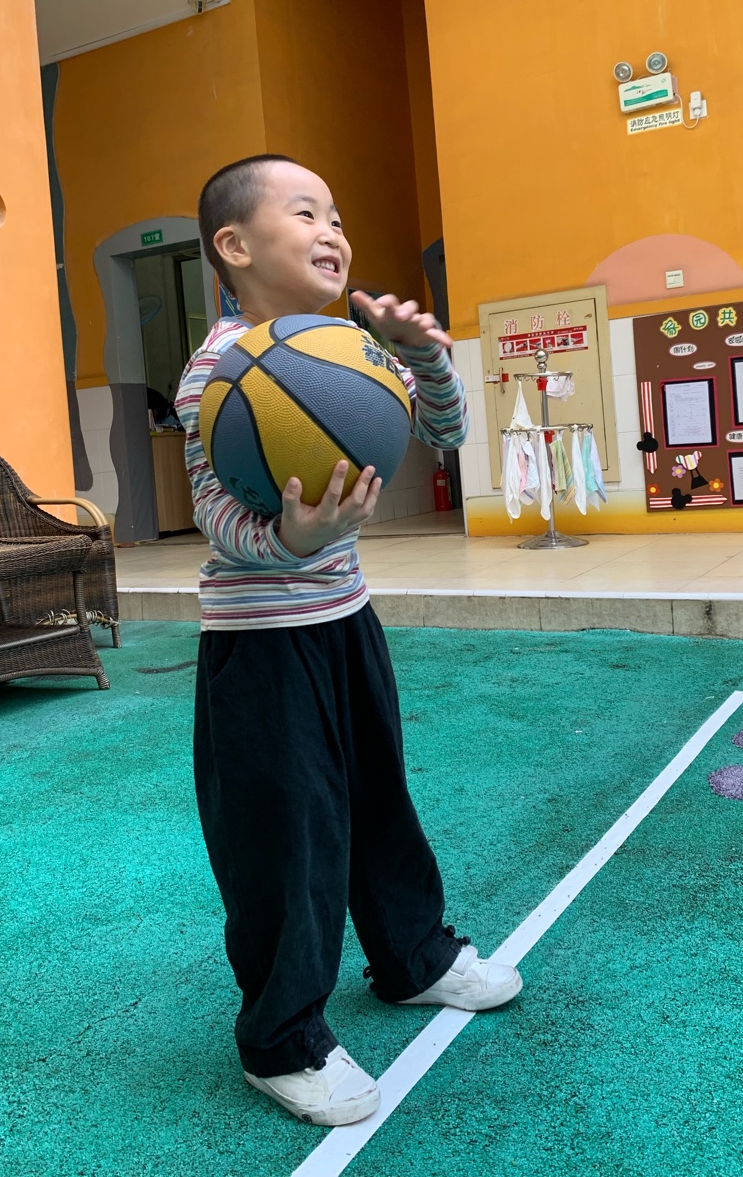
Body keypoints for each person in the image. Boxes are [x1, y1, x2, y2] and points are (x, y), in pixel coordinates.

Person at [174, 155, 521, 1127]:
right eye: (305, 213)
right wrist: (289, 541)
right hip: (261, 647)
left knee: (379, 803)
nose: (333, 230)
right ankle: (281, 1039)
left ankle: (413, 958)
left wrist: (424, 357)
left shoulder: (345, 349)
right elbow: (213, 513)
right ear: (235, 246)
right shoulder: (219, 371)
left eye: (336, 214)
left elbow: (444, 432)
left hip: (345, 622)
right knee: (287, 843)